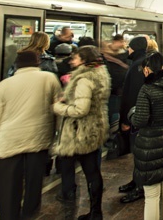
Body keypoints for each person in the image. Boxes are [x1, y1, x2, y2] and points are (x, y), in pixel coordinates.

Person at [0, 51, 61, 220]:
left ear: (16, 65)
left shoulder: (4, 84)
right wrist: (59, 134)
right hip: (38, 137)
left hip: (8, 139)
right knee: (34, 182)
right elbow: (58, 109)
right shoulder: (49, 79)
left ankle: (9, 216)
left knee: (8, 185)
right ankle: (29, 214)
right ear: (37, 62)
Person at [53, 46, 110, 220]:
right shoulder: (101, 72)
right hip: (95, 127)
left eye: (75, 58)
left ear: (84, 60)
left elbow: (81, 110)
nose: (72, 61)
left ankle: (93, 211)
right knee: (93, 171)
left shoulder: (83, 79)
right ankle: (96, 212)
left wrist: (58, 107)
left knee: (87, 171)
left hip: (81, 131)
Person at [128, 52, 163, 220]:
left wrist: (132, 114)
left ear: (147, 69)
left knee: (151, 194)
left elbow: (140, 120)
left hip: (151, 145)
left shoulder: (147, 89)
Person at [118, 36, 149, 204]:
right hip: (136, 115)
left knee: (137, 152)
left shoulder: (138, 65)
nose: (127, 50)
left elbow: (132, 95)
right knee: (136, 152)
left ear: (134, 48)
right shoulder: (140, 63)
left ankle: (139, 187)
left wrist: (126, 119)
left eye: (129, 47)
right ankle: (135, 181)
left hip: (135, 117)